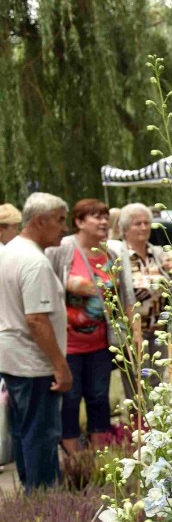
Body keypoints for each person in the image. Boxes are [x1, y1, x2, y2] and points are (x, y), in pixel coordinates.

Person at [46, 199, 135, 454]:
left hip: (101, 343)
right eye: (96, 217)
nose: (104, 222)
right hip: (68, 344)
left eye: (106, 216)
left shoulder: (113, 253)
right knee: (71, 400)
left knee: (99, 398)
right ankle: (75, 460)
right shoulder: (61, 250)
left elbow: (126, 295)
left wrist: (132, 333)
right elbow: (47, 289)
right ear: (79, 222)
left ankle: (100, 457)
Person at [0, 193, 71, 491]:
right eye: (59, 220)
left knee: (24, 432)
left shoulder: (10, 250)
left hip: (14, 359)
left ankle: (33, 497)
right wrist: (60, 366)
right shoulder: (34, 262)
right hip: (34, 363)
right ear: (40, 221)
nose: (64, 228)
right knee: (41, 435)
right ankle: (44, 500)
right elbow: (37, 320)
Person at [117, 202, 172, 398]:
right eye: (137, 224)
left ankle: (159, 423)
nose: (143, 227)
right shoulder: (118, 254)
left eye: (146, 223)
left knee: (157, 379)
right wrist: (135, 332)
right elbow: (123, 293)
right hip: (134, 330)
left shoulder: (157, 252)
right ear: (124, 229)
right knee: (137, 381)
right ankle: (139, 425)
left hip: (159, 327)